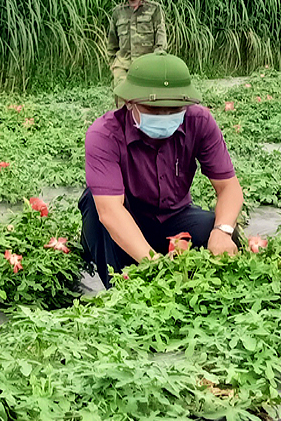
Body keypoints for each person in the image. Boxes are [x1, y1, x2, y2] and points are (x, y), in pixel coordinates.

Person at [79, 52, 244, 284]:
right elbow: (110, 212)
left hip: (175, 217)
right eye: (154, 109)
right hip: (127, 219)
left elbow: (229, 188)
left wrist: (222, 231)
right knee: (95, 210)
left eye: (174, 109)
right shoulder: (104, 134)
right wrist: (153, 264)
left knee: (224, 233)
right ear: (129, 102)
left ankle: (205, 293)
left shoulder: (200, 122)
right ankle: (119, 293)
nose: (165, 115)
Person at [107, 0, 168, 88]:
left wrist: (158, 59)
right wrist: (113, 64)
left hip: (147, 64)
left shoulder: (154, 9)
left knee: (147, 100)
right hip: (123, 65)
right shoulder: (118, 12)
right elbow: (112, 43)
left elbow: (161, 38)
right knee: (122, 95)